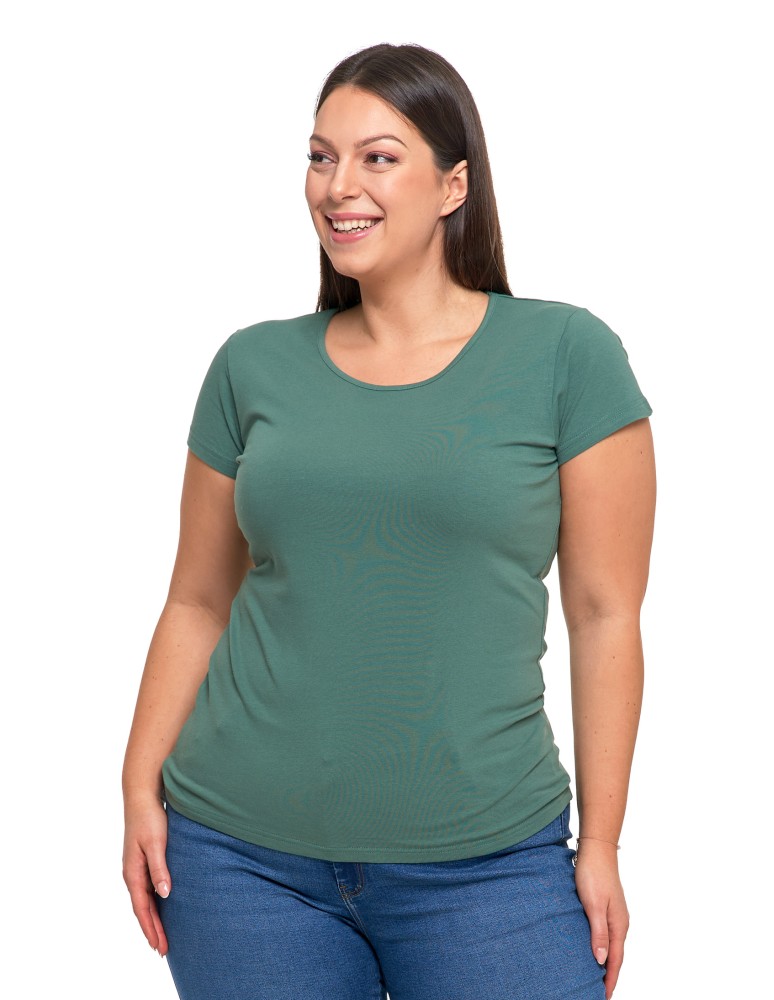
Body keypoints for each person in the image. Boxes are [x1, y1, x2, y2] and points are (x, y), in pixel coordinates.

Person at [122, 42, 656, 1000]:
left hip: (491, 864)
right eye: (321, 157)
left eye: (378, 157)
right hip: (238, 859)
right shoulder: (251, 365)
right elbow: (198, 599)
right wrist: (136, 784)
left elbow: (605, 613)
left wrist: (603, 843)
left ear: (454, 185)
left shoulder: (566, 355)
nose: (339, 186)